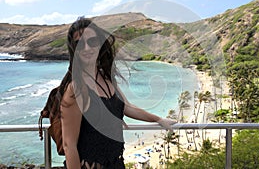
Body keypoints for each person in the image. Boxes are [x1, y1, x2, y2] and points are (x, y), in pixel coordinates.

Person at [49, 17, 176, 169]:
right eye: (79, 43)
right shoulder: (76, 89)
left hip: (116, 163)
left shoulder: (106, 79)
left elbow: (127, 107)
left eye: (92, 41)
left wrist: (158, 119)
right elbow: (69, 145)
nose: (87, 48)